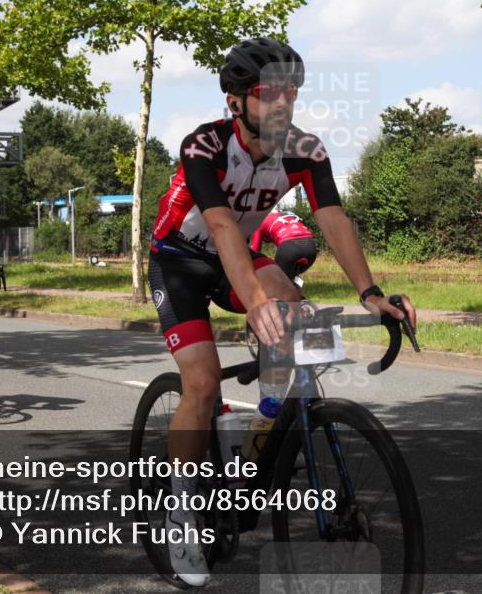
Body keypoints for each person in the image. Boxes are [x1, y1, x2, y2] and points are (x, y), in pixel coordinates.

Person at [148, 36, 416, 586]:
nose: (283, 103)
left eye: (291, 92)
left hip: (235, 257)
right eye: (269, 93)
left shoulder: (305, 150)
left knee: (296, 311)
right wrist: (255, 303)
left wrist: (370, 293)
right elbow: (221, 225)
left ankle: (261, 439)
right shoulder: (203, 147)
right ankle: (181, 515)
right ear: (237, 101)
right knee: (200, 383)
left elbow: (334, 219)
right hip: (178, 261)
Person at [248, 209, 318, 282]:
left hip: (288, 245)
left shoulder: (258, 223)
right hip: (310, 246)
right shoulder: (284, 215)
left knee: (277, 282)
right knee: (292, 279)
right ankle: (298, 290)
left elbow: (254, 252)